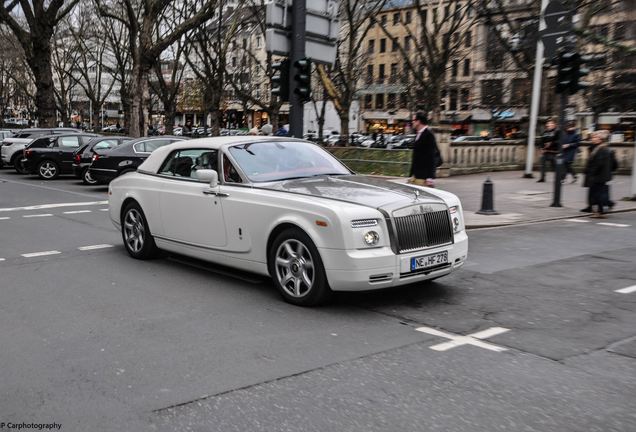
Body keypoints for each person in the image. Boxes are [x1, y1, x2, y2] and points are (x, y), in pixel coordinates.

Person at [581, 130, 612, 218]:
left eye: (595, 137)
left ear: (600, 139)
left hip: (599, 176)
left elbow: (599, 163)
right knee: (597, 193)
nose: (593, 139)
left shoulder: (602, 149)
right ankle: (599, 211)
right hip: (599, 175)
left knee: (598, 194)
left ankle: (600, 212)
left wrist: (591, 173)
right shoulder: (598, 148)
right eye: (593, 137)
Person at [408, 111, 439, 188]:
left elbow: (432, 156)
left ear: (418, 121)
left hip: (424, 176)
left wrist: (430, 177)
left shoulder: (429, 134)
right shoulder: (418, 133)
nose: (412, 122)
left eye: (413, 120)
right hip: (416, 174)